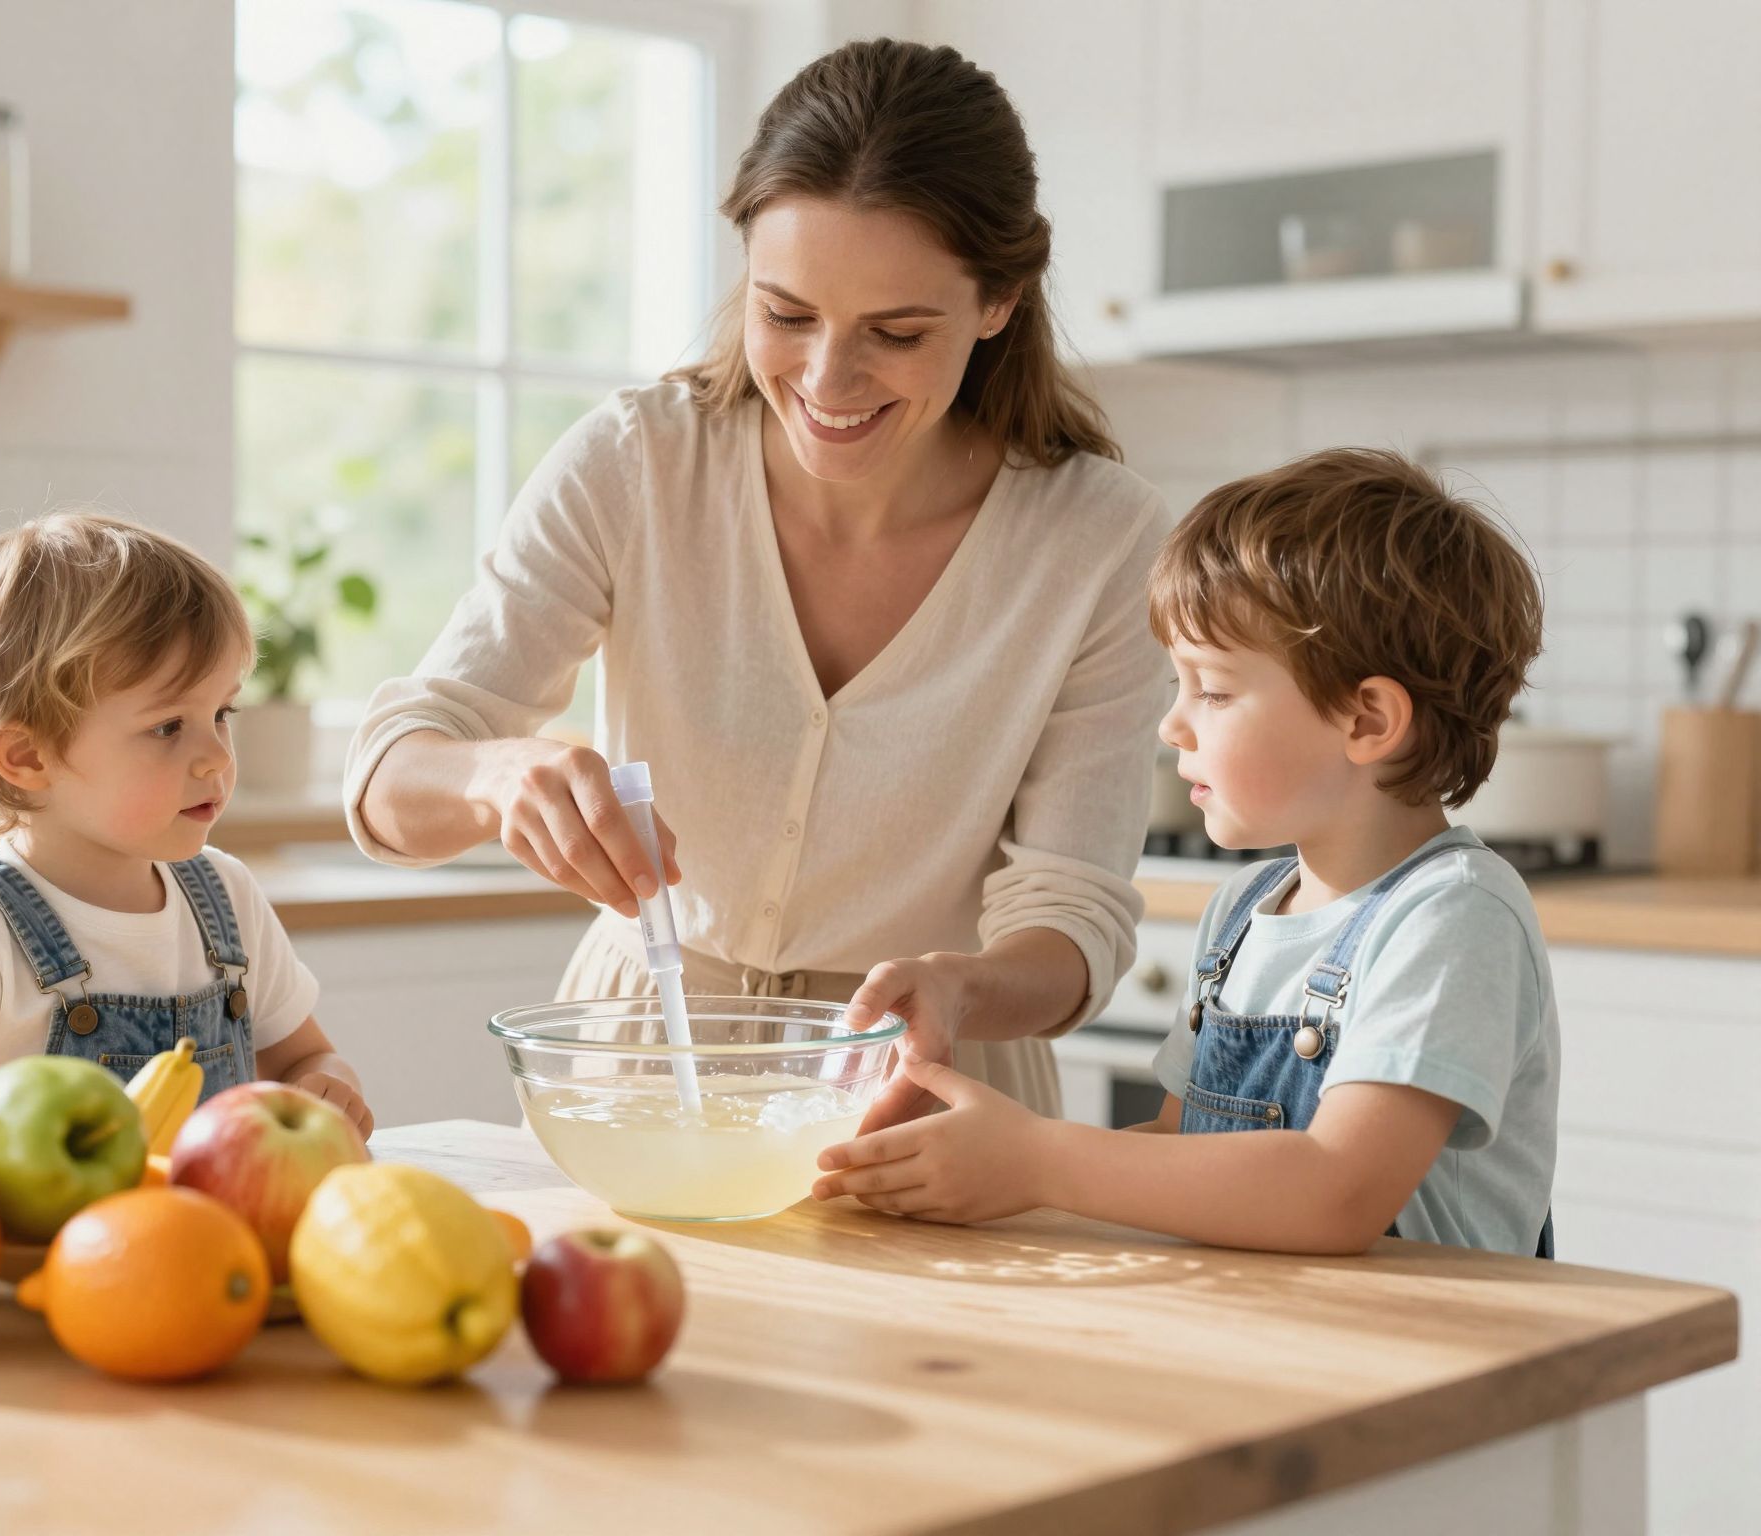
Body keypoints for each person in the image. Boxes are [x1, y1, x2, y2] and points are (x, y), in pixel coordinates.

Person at [344, 39, 1171, 1121]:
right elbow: (385, 782)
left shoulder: (1097, 540)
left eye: (896, 331)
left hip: (922, 1093)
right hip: (638, 1071)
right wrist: (491, 777)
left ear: (997, 301)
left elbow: (1073, 918)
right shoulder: (636, 462)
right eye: (784, 314)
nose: (827, 379)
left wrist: (958, 988)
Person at [815, 449, 1559, 1256]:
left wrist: (1036, 1159)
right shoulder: (1243, 911)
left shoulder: (1451, 916)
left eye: (1211, 689)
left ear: (1366, 721)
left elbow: (1335, 1192)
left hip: (1436, 1356)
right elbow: (1181, 1152)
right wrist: (963, 1170)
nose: (1173, 726)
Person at [0, 509, 373, 1134]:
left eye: (222, 712)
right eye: (167, 727)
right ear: (27, 757)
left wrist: (328, 1086)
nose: (217, 754)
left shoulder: (227, 898)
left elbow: (304, 1056)